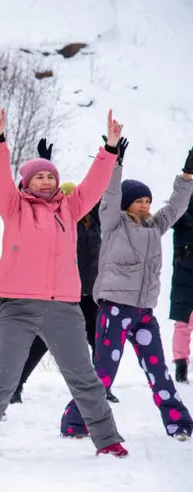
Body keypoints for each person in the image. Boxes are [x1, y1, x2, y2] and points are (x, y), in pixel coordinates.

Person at [0, 105, 127, 459]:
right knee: (2, 379)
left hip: (62, 308)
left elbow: (95, 184)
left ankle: (109, 440)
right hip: (16, 307)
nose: (47, 182)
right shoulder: (13, 205)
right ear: (26, 182)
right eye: (39, 177)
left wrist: (109, 149)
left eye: (51, 177)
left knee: (84, 378)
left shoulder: (71, 207)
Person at [60, 141, 193, 441]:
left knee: (159, 374)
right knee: (103, 374)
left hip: (144, 313)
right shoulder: (114, 223)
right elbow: (110, 194)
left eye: (148, 200)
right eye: (139, 201)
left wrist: (187, 177)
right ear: (126, 204)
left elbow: (176, 207)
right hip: (115, 309)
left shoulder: (154, 226)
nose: (145, 205)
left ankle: (178, 423)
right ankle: (74, 420)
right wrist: (115, 164)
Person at [10, 139, 115, 404]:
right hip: (62, 293)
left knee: (97, 341)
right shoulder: (59, 223)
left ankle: (102, 386)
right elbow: (34, 196)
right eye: (64, 197)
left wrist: (114, 160)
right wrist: (44, 160)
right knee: (39, 343)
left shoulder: (95, 222)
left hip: (89, 292)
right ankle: (16, 385)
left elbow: (99, 189)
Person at [170, 198, 193, 384]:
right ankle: (180, 366)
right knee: (184, 323)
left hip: (182, 275)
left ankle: (181, 365)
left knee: (183, 324)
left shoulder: (182, 213)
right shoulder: (182, 214)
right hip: (184, 277)